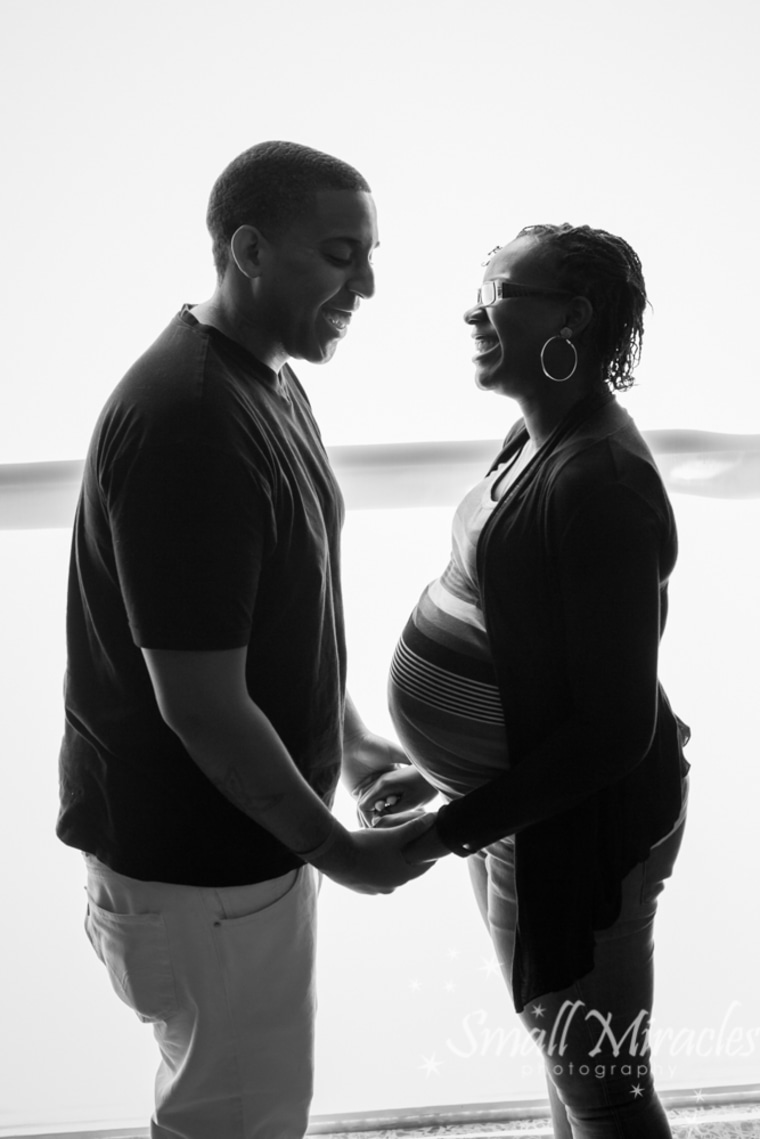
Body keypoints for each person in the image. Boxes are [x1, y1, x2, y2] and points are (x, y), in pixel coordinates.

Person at [56, 140, 432, 1139]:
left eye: (371, 254)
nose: (369, 284)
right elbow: (203, 704)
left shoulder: (262, 375)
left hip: (235, 854)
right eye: (342, 253)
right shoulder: (191, 421)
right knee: (238, 1125)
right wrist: (343, 851)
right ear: (251, 250)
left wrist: (347, 744)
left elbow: (276, 613)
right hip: (201, 875)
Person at [358, 224, 691, 1138]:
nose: (475, 307)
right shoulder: (535, 436)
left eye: (500, 288)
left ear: (572, 318)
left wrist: (443, 831)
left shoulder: (602, 484)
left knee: (605, 1088)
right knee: (565, 1056)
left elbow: (612, 730)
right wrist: (441, 774)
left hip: (580, 837)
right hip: (518, 817)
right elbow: (533, 656)